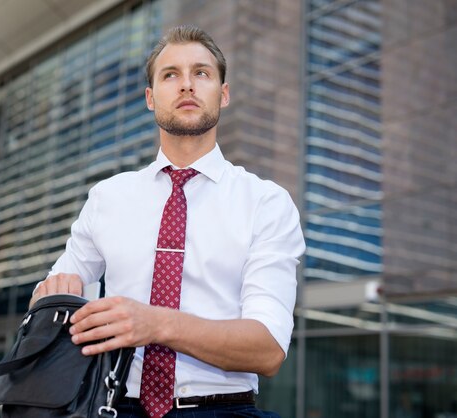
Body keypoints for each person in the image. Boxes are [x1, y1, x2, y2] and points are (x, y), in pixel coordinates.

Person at [30, 25, 305, 418]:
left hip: (225, 411)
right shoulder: (107, 198)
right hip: (114, 407)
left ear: (223, 94)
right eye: (170, 74)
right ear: (150, 97)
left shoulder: (267, 203)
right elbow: (48, 303)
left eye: (202, 73)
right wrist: (52, 296)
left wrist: (156, 324)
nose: (187, 85)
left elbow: (268, 350)